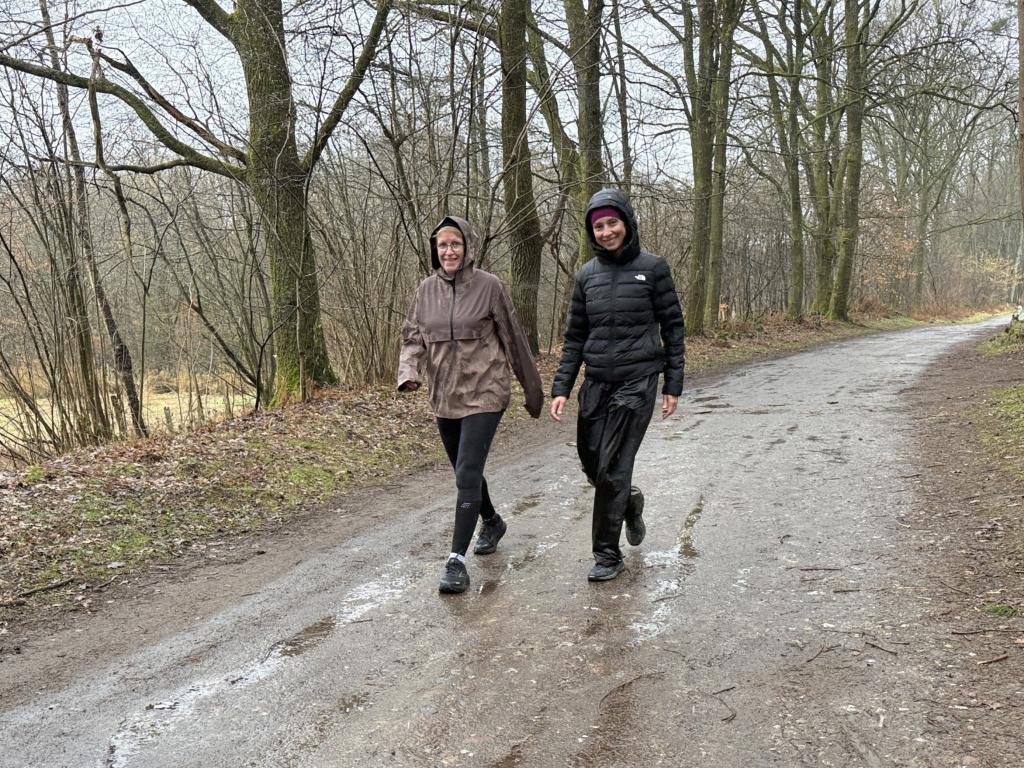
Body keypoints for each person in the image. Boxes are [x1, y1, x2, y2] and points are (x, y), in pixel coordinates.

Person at [399, 216, 543, 594]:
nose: (449, 251)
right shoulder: (425, 291)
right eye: (442, 245)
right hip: (444, 395)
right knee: (465, 471)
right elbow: (412, 338)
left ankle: (455, 562)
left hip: (485, 390)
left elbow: (513, 337)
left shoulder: (489, 286)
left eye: (455, 244)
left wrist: (532, 389)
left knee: (466, 472)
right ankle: (492, 521)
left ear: (469, 248)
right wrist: (408, 372)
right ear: (435, 251)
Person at [550, 188, 685, 582]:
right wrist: (562, 387)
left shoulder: (653, 268)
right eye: (599, 226)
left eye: (612, 223)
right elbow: (575, 337)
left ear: (626, 222)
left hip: (637, 382)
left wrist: (672, 384)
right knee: (593, 463)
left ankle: (607, 554)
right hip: (596, 382)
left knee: (613, 468)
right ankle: (630, 502)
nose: (607, 231)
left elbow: (673, 328)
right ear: (591, 232)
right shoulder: (586, 275)